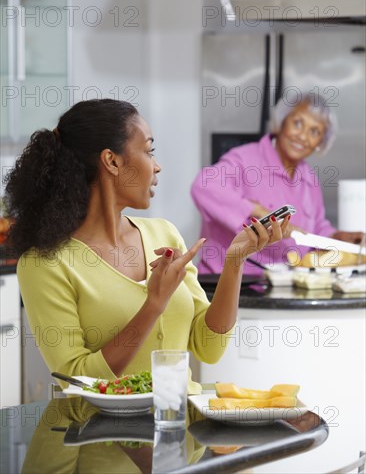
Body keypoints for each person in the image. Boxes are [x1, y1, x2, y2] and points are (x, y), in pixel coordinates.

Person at [5, 99, 290, 393]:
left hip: (178, 425)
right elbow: (77, 378)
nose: (157, 166)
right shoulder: (45, 263)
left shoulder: (163, 234)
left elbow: (209, 347)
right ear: (112, 161)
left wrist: (235, 261)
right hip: (100, 436)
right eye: (148, 150)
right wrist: (153, 304)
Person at [191, 93, 364, 275]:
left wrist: (337, 237)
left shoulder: (309, 178)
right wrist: (260, 212)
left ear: (320, 143)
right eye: (297, 123)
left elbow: (316, 228)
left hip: (282, 285)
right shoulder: (245, 159)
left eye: (314, 131)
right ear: (281, 122)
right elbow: (203, 185)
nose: (303, 136)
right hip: (228, 285)